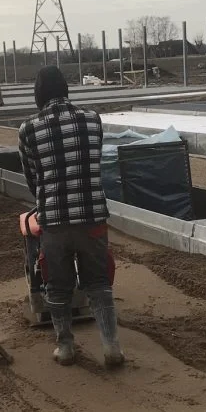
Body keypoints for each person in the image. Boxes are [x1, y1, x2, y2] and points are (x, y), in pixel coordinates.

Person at [18, 66, 124, 368]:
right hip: (92, 217)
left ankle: (65, 347)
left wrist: (47, 197)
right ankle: (111, 347)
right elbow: (93, 161)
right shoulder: (92, 119)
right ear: (66, 90)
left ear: (38, 94)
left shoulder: (29, 129)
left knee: (58, 285)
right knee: (99, 282)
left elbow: (31, 179)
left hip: (54, 221)